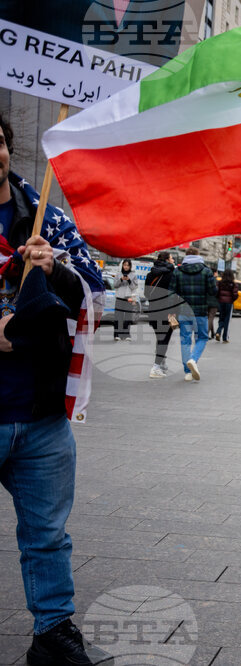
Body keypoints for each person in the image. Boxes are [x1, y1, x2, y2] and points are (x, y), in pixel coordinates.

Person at [0, 110, 113, 664]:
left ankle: (53, 633)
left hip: (40, 415)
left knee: (47, 534)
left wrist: (54, 270)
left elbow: (94, 295)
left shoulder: (48, 219)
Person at [170, 248, 217, 381]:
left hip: (184, 311)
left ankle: (188, 372)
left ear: (186, 256)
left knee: (185, 340)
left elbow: (171, 293)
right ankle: (193, 359)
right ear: (198, 255)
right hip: (200, 311)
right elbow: (213, 292)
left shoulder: (177, 271)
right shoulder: (206, 271)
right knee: (202, 338)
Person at [145, 252, 184, 378]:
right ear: (167, 260)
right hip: (169, 312)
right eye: (172, 258)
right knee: (164, 340)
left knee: (160, 338)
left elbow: (146, 294)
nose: (173, 260)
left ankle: (161, 363)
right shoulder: (172, 274)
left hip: (153, 310)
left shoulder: (150, 274)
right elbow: (175, 294)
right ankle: (156, 367)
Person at [113, 258, 138, 341]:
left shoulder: (133, 275)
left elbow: (134, 287)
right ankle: (117, 334)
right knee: (118, 317)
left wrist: (129, 280)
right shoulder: (118, 274)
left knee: (128, 317)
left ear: (130, 266)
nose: (126, 267)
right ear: (122, 265)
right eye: (124, 265)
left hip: (129, 298)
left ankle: (126, 334)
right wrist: (121, 279)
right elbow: (115, 285)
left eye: (128, 265)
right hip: (119, 298)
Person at [215, 269, 238, 343]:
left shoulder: (219, 282)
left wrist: (219, 298)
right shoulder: (233, 284)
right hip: (229, 303)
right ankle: (225, 338)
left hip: (221, 302)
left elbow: (216, 292)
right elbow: (235, 294)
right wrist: (232, 299)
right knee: (227, 320)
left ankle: (218, 332)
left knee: (221, 317)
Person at [206, 269, 219, 339]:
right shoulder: (216, 281)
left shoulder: (206, 280)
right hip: (214, 301)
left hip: (206, 301)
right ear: (214, 273)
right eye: (217, 272)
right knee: (211, 318)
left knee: (209, 318)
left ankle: (212, 333)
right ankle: (206, 334)